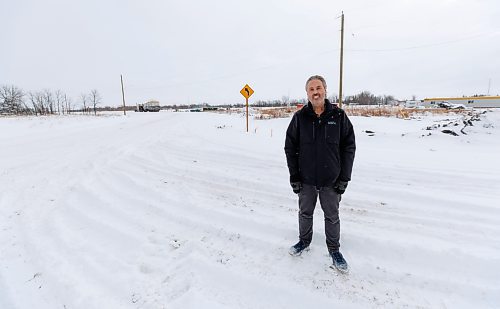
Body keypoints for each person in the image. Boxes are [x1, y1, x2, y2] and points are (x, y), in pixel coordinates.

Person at [284, 75, 356, 273]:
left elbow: (349, 148)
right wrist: (294, 176)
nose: (315, 92)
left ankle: (334, 251)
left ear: (325, 89)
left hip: (331, 180)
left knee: (332, 216)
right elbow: (290, 147)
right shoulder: (299, 118)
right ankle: (303, 242)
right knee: (305, 213)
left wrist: (344, 178)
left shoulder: (339, 117)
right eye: (311, 89)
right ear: (307, 93)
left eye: (318, 88)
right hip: (306, 179)